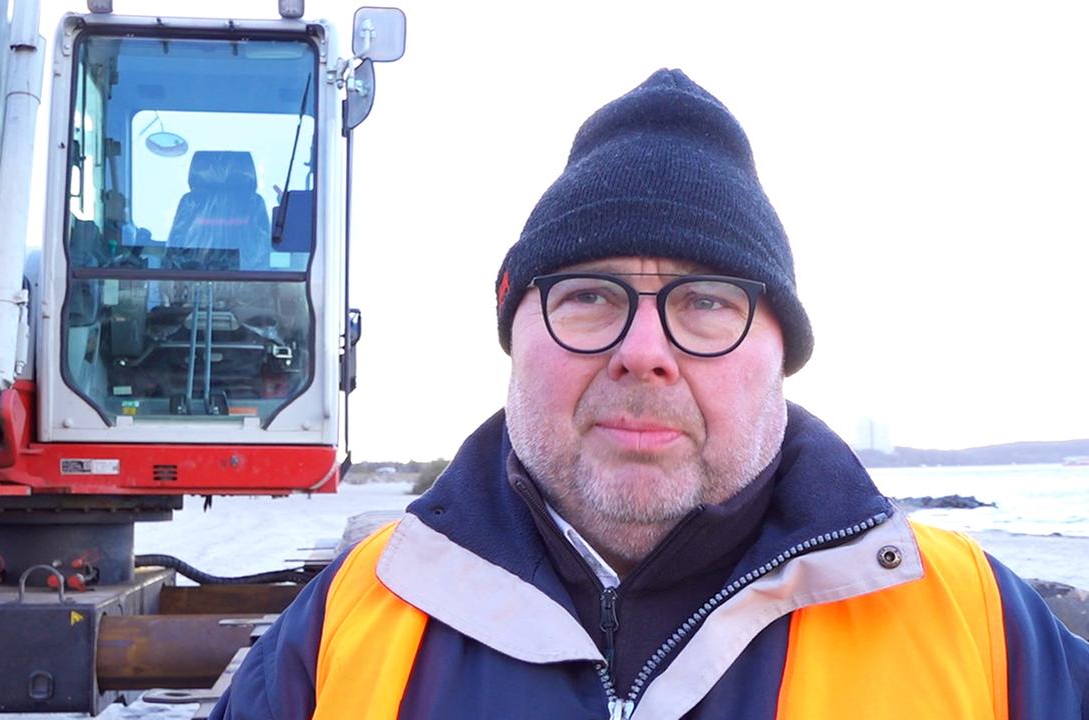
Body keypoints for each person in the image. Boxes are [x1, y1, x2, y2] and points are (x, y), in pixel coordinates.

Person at [210, 70, 1089, 719]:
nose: (644, 352)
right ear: (514, 338)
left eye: (707, 303)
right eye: (588, 296)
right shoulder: (349, 622)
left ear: (782, 354)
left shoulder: (975, 624)